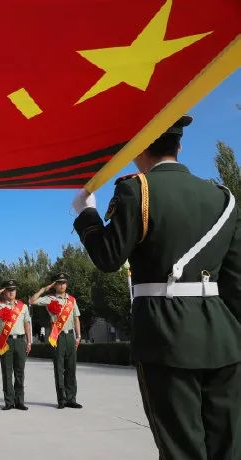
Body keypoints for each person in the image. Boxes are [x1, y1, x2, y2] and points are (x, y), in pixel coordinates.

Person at [72, 115, 241, 459]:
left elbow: (109, 257)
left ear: (138, 148)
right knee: (228, 446)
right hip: (225, 340)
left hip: (167, 336)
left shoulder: (137, 189)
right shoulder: (224, 198)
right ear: (180, 145)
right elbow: (235, 282)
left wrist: (86, 214)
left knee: (181, 448)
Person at [29, 273, 82, 409]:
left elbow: (76, 318)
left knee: (71, 369)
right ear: (55, 285)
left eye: (64, 283)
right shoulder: (49, 299)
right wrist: (44, 289)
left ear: (66, 284)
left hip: (70, 336)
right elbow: (32, 301)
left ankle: (71, 399)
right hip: (57, 336)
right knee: (59, 369)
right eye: (59, 283)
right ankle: (61, 400)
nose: (62, 285)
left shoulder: (71, 300)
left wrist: (78, 336)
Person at [0, 279, 31, 410]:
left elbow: (27, 324)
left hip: (20, 341)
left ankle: (19, 401)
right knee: (7, 372)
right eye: (8, 290)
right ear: (4, 292)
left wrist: (29, 341)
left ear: (16, 291)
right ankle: (9, 402)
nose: (11, 292)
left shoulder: (23, 307)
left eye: (13, 290)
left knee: (19, 373)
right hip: (5, 341)